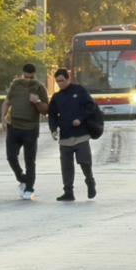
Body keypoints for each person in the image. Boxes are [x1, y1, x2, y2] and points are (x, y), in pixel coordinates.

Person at [48, 68, 97, 202]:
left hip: (81, 134)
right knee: (66, 166)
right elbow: (52, 114)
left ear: (68, 79)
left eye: (62, 80)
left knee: (84, 161)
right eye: (58, 81)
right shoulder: (56, 97)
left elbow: (91, 106)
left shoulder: (79, 91)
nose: (60, 83)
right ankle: (68, 191)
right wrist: (53, 129)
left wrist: (80, 119)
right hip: (65, 136)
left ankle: (90, 181)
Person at [3, 63, 49, 200]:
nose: (28, 80)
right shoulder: (15, 85)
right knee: (11, 156)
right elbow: (7, 102)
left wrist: (37, 101)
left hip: (30, 129)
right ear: (22, 74)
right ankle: (22, 178)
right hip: (14, 127)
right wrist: (3, 118)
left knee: (30, 161)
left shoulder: (39, 87)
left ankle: (29, 187)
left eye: (31, 77)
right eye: (26, 77)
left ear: (35, 75)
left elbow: (45, 110)